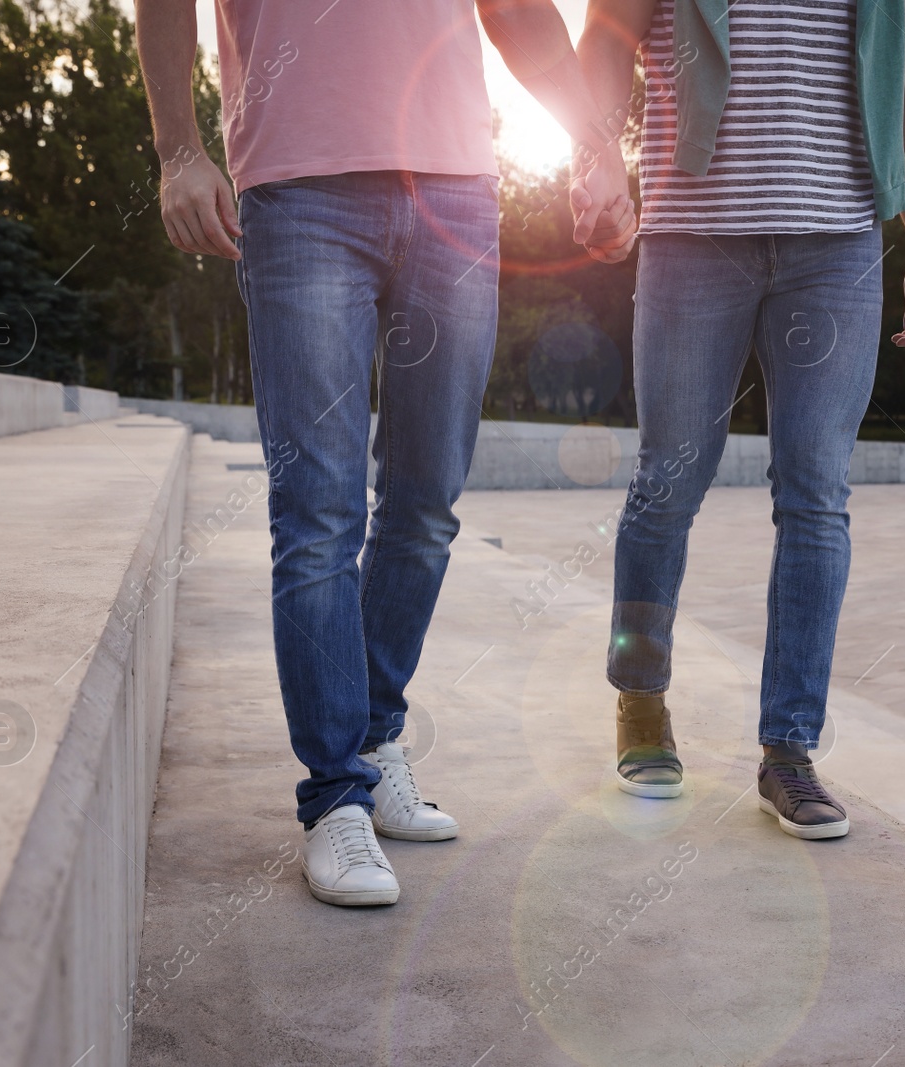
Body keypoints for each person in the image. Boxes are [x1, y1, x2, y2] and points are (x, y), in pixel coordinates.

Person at [134, 0, 635, 906]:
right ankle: (334, 796)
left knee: (427, 499)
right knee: (319, 509)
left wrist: (594, 141)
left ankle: (370, 736)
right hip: (300, 188)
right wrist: (179, 148)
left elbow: (518, 10)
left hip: (456, 191)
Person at [575, 0, 905, 839]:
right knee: (667, 481)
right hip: (693, 235)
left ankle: (789, 749)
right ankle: (641, 703)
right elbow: (605, 36)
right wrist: (595, 153)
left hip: (839, 241)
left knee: (816, 493)